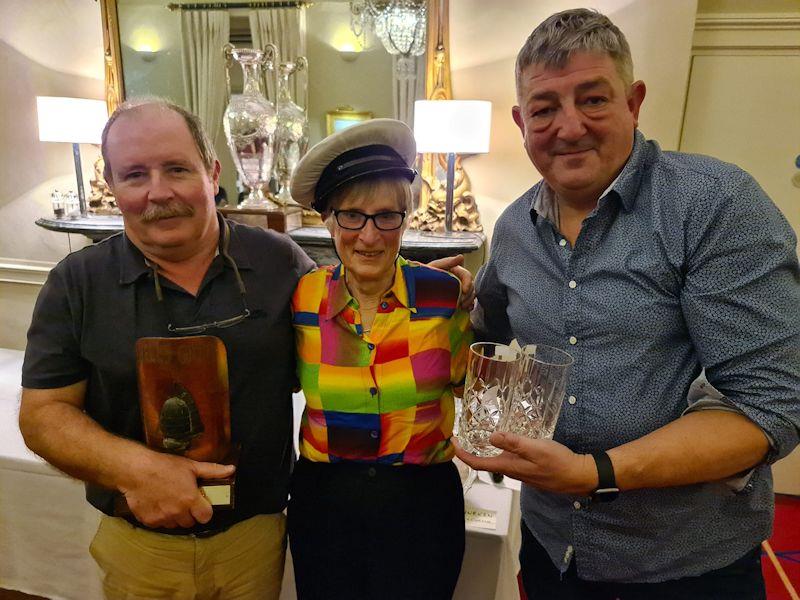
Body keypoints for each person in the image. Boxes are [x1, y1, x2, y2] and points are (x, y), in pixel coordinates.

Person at [19, 100, 473, 599]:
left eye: (176, 168)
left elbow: (365, 283)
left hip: (255, 539)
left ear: (212, 173)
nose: (158, 191)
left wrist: (433, 290)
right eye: (134, 174)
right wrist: (138, 470)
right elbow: (43, 415)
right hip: (140, 544)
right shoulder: (76, 283)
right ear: (111, 182)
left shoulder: (281, 265)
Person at [455, 8, 800, 599]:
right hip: (551, 550)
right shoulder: (513, 227)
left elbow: (770, 407)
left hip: (684, 565)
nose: (568, 127)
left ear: (634, 102)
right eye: (544, 109)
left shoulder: (714, 205)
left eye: (592, 100)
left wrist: (596, 474)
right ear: (520, 120)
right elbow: (491, 338)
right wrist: (448, 300)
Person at [286, 119, 473, 599]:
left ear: (405, 219)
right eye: (352, 215)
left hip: (423, 507)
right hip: (326, 506)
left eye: (387, 216)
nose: (369, 236)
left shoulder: (444, 294)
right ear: (328, 219)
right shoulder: (302, 297)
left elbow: (466, 384)